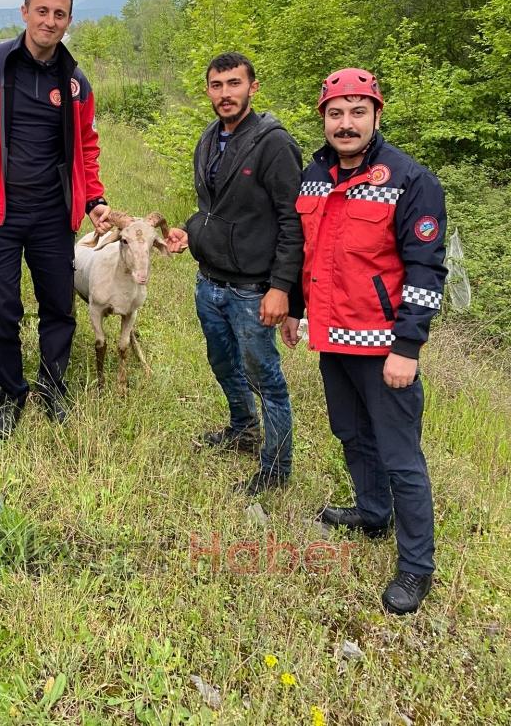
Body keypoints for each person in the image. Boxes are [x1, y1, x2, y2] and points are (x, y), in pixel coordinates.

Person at [282, 68, 446, 615]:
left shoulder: (410, 180)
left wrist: (407, 348)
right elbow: (307, 250)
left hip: (384, 349)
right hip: (333, 339)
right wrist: (296, 309)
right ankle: (373, 513)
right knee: (351, 434)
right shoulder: (314, 176)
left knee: (401, 456)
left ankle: (416, 566)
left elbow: (426, 272)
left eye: (357, 111)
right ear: (323, 119)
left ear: (377, 114)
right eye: (336, 113)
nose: (346, 123)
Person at [0, 0, 111, 439]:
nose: (50, 21)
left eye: (59, 14)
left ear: (69, 20)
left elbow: (87, 145)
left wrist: (93, 197)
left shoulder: (75, 82)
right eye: (42, 11)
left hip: (53, 214)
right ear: (24, 12)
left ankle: (53, 386)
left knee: (58, 305)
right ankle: (11, 392)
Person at [166, 52, 302, 495]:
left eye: (234, 84)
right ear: (208, 90)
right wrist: (190, 231)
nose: (225, 93)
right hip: (210, 281)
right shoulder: (210, 137)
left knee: (267, 380)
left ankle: (275, 470)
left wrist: (281, 288)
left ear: (252, 88)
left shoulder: (274, 144)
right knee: (223, 363)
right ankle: (243, 429)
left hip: (251, 289)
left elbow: (292, 222)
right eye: (217, 85)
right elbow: (214, 209)